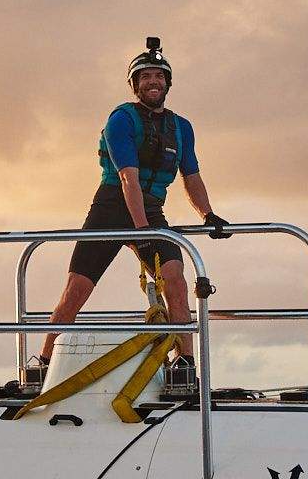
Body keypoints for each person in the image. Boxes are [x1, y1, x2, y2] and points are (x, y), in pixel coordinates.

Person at [30, 37, 228, 397]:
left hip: (151, 207)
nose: (153, 82)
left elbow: (192, 175)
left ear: (168, 83)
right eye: (145, 77)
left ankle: (184, 367)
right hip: (110, 208)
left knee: (176, 281)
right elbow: (127, 178)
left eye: (159, 76)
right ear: (135, 85)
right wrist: (142, 232)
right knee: (76, 290)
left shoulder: (181, 128)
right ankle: (42, 365)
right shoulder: (121, 119)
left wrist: (209, 215)